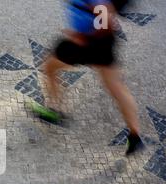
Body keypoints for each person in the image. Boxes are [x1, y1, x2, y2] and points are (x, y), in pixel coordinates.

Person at [40, 0, 144, 155]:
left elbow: (106, 18)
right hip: (103, 45)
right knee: (116, 88)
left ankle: (54, 110)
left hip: (87, 43)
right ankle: (135, 136)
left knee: (49, 67)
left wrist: (83, 37)